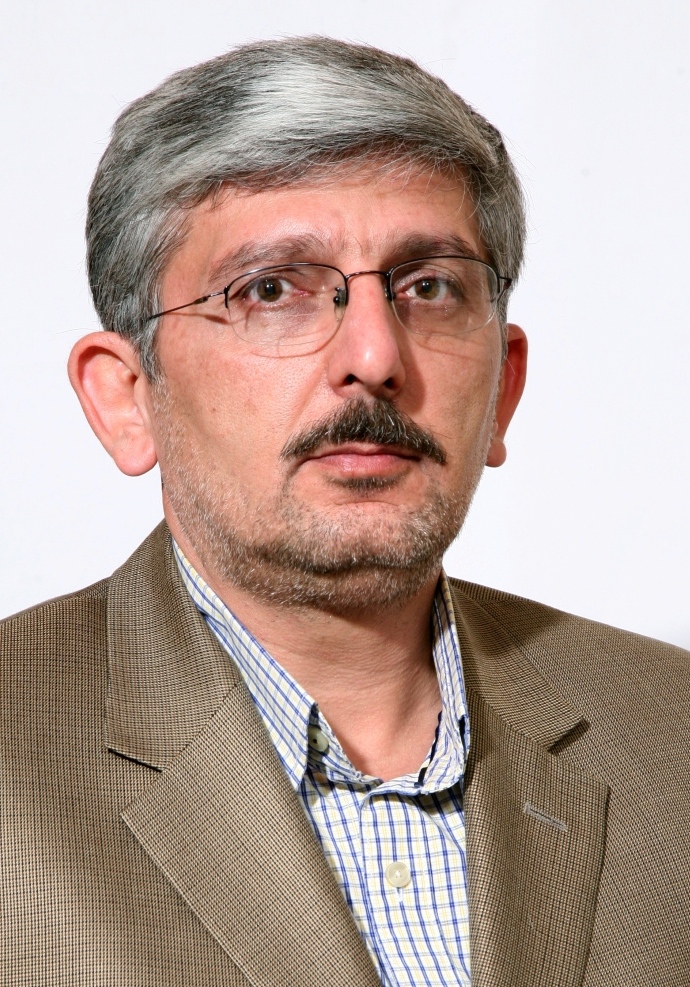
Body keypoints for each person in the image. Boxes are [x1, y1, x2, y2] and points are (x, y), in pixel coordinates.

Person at [2, 36, 688, 987]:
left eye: (429, 287)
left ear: (502, 387)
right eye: (271, 289)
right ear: (127, 398)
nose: (375, 355)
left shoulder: (673, 732)